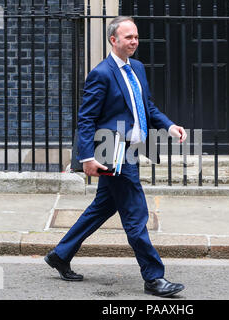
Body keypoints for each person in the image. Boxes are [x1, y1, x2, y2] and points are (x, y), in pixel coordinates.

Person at [44, 16, 187, 298]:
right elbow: (86, 119)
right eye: (128, 37)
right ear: (114, 40)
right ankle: (154, 277)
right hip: (111, 149)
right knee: (135, 214)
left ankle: (60, 254)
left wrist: (169, 125)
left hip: (131, 148)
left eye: (136, 37)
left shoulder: (137, 68)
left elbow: (146, 107)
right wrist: (86, 157)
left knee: (103, 206)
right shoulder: (102, 73)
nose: (134, 41)